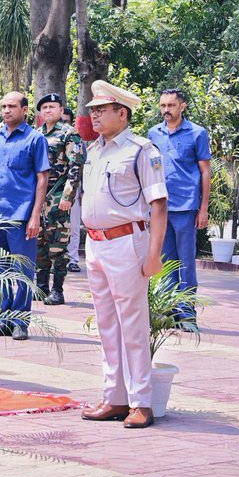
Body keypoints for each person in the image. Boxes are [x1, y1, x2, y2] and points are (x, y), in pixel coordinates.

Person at [80, 80, 167, 430]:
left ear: (123, 113)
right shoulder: (94, 151)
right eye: (93, 110)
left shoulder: (141, 149)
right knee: (106, 325)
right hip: (96, 244)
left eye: (102, 110)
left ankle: (141, 401)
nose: (95, 115)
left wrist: (154, 254)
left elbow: (159, 205)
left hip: (127, 242)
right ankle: (114, 397)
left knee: (132, 323)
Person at [0, 92, 49, 341]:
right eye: (3, 106)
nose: (6, 110)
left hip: (21, 215)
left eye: (12, 106)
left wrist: (35, 216)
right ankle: (3, 318)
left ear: (24, 110)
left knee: (22, 270)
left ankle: (20, 321)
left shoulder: (35, 138)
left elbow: (42, 179)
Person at [147, 88, 211, 321]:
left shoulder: (197, 133)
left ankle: (186, 313)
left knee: (186, 262)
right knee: (165, 261)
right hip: (159, 206)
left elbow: (205, 172)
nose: (166, 110)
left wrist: (203, 208)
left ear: (182, 106)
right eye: (162, 105)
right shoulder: (153, 133)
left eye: (171, 105)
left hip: (186, 206)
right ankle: (167, 311)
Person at [34, 93, 84, 305]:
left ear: (61, 110)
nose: (48, 110)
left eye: (52, 107)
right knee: (39, 243)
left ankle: (57, 290)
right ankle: (41, 286)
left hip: (57, 195)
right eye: (44, 107)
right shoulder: (36, 134)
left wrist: (68, 196)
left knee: (58, 245)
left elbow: (76, 166)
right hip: (39, 196)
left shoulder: (69, 133)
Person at [64, 105, 84, 273]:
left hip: (72, 189)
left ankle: (72, 259)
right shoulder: (42, 136)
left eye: (66, 121)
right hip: (49, 191)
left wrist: (82, 189)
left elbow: (80, 166)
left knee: (74, 226)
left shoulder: (76, 139)